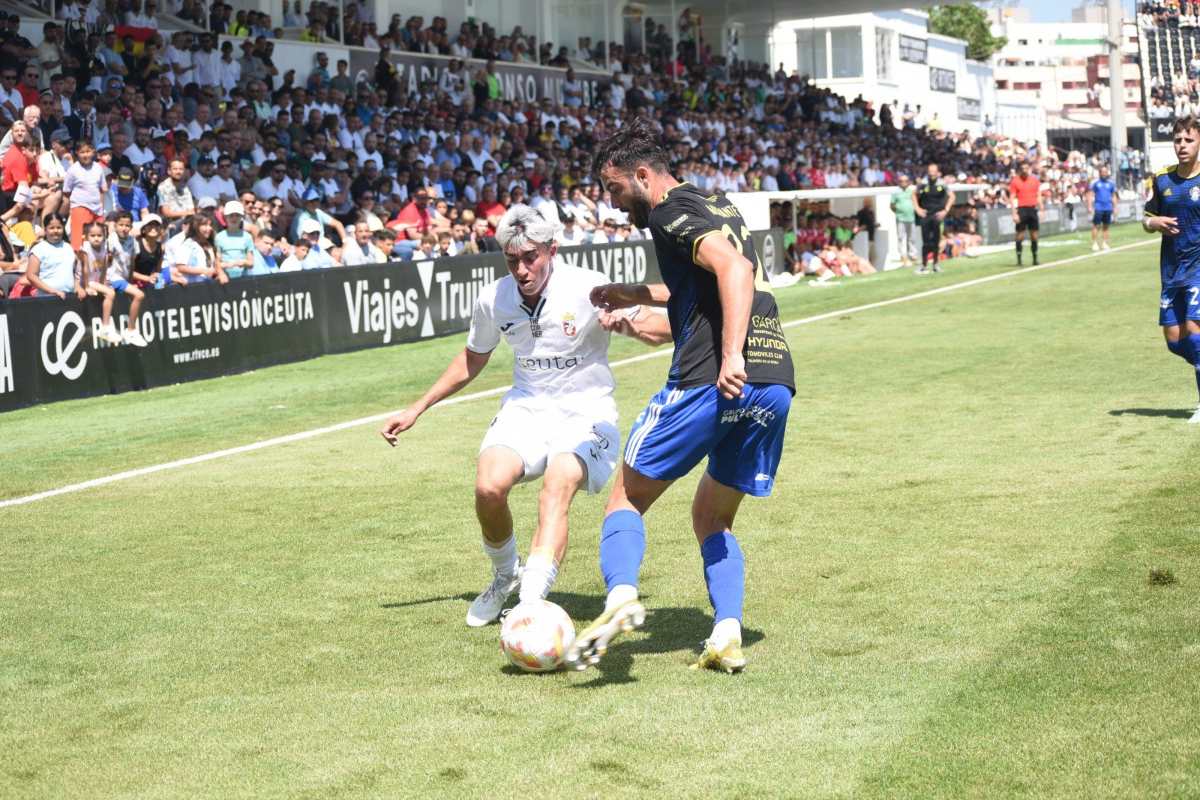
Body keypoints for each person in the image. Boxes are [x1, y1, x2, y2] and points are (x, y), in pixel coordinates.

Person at [568, 118, 795, 674]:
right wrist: (636, 296)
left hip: (713, 379)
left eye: (615, 187)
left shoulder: (669, 212)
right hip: (774, 384)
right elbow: (706, 290)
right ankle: (726, 634)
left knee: (624, 497)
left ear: (643, 176)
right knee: (711, 517)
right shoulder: (717, 207)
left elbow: (735, 271)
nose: (614, 202)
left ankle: (620, 597)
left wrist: (732, 354)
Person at [379, 204, 668, 628]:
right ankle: (505, 576)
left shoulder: (589, 287)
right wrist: (417, 408)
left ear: (552, 249)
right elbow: (471, 361)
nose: (521, 269)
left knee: (557, 484)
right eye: (512, 260)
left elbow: (660, 329)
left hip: (586, 410)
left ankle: (531, 603)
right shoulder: (493, 298)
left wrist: (626, 324)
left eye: (530, 257)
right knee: (488, 487)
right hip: (527, 407)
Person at [1144, 115, 1200, 423]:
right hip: (1171, 270)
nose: (1182, 145)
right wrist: (1153, 222)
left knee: (1194, 332)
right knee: (1175, 341)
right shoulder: (1162, 179)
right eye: (1177, 140)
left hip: (1199, 268)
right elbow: (1146, 218)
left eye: (1188, 139)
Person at [76, 220, 124, 344]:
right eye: (92, 236)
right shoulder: (85, 248)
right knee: (110, 294)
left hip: (96, 281)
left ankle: (107, 326)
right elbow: (85, 268)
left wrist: (103, 285)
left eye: (99, 236)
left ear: (104, 236)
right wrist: (86, 286)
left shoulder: (104, 248)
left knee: (110, 291)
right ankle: (105, 327)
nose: (96, 239)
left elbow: (103, 269)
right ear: (87, 237)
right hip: (85, 281)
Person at [105, 210, 149, 346]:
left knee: (136, 294)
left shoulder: (133, 241)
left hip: (123, 279)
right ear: (115, 225)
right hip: (112, 278)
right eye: (121, 225)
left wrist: (130, 282)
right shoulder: (111, 239)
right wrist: (103, 281)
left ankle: (130, 330)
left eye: (127, 225)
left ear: (131, 227)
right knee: (139, 295)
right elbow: (106, 260)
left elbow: (131, 264)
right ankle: (130, 330)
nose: (124, 228)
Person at [62, 141, 108, 250]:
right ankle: (79, 264)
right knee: (79, 243)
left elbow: (102, 189)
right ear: (77, 153)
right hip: (80, 207)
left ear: (93, 152)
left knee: (98, 242)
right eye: (82, 152)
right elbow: (67, 191)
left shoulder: (98, 168)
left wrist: (101, 208)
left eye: (88, 151)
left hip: (97, 210)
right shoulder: (73, 170)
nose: (85, 155)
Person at [914, 162, 953, 274]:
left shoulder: (942, 184)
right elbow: (914, 195)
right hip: (926, 215)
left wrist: (946, 210)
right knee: (925, 241)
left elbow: (952, 196)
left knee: (936, 241)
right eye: (930, 173)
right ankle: (924, 265)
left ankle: (936, 264)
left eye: (934, 173)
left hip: (937, 215)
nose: (932, 175)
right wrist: (918, 209)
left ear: (937, 173)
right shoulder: (923, 183)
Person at [1009, 161, 1042, 266]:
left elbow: (1039, 195)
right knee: (1020, 235)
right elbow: (1012, 198)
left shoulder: (1035, 180)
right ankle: (1019, 259)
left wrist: (1042, 209)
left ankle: (1035, 258)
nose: (1024, 170)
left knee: (1034, 235)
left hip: (1032, 209)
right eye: (1022, 168)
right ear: (1020, 169)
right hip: (1021, 210)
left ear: (1029, 168)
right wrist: (1014, 213)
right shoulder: (1015, 181)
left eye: (1026, 168)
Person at [214, 201, 255, 279]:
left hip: (244, 279)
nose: (234, 218)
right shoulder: (219, 237)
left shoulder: (247, 237)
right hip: (225, 279)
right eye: (231, 216)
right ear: (225, 217)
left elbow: (251, 263)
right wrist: (224, 267)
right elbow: (217, 261)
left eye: (237, 215)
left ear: (241, 217)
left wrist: (242, 262)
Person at [890, 173, 917, 267]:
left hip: (911, 217)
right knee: (901, 237)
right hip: (901, 218)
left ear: (908, 182)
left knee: (912, 237)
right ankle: (902, 255)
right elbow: (892, 205)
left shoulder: (912, 191)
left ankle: (912, 255)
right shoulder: (896, 192)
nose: (903, 183)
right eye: (901, 181)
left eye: (905, 181)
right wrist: (899, 212)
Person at [1089, 165, 1117, 252]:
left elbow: (1113, 196)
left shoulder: (1111, 184)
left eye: (1106, 172)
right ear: (1100, 173)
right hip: (1099, 207)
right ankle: (1094, 243)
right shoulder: (1096, 183)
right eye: (1103, 172)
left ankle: (1105, 243)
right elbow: (1090, 195)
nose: (1104, 173)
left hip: (1108, 207)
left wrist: (1115, 207)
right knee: (1096, 225)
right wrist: (1090, 206)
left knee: (1106, 226)